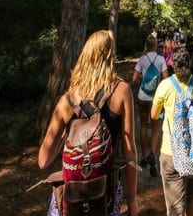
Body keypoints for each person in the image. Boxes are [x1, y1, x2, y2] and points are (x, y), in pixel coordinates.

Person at [38, 30, 139, 216]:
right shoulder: (121, 91)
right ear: (110, 56)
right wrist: (132, 199)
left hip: (71, 198)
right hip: (105, 195)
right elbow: (129, 148)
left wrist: (65, 135)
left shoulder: (66, 101)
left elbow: (43, 161)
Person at [150, 47, 193, 216]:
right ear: (190, 63)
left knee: (175, 208)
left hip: (171, 153)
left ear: (172, 65)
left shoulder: (165, 86)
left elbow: (154, 114)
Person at [132, 33, 169, 177]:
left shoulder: (142, 59)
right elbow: (166, 79)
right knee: (155, 127)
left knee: (143, 126)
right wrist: (157, 80)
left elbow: (135, 79)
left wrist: (143, 78)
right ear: (156, 46)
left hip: (142, 97)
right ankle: (153, 154)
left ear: (147, 46)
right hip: (156, 99)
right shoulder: (161, 59)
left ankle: (144, 156)